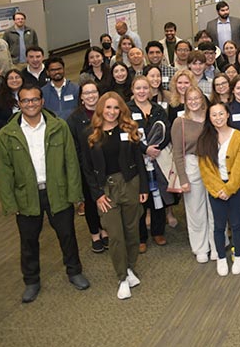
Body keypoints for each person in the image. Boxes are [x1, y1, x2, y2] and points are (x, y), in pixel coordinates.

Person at [0, 84, 89, 303]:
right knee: (28, 240)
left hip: (57, 191)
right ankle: (31, 281)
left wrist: (76, 194)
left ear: (42, 101)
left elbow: (71, 162)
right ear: (18, 104)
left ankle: (74, 271)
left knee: (67, 234)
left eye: (35, 99)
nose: (31, 104)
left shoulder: (58, 126)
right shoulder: (7, 134)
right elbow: (4, 170)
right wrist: (10, 203)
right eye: (25, 101)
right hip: (26, 195)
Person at [84, 91, 148, 299]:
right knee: (116, 235)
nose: (112, 112)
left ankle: (130, 267)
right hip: (106, 189)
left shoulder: (128, 130)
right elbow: (86, 168)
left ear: (121, 110)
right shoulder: (91, 134)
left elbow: (139, 161)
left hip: (130, 184)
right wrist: (97, 195)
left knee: (132, 231)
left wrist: (143, 188)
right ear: (101, 109)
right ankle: (122, 277)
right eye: (108, 107)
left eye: (116, 108)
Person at [197, 102, 240, 276]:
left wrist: (229, 189)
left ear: (228, 115)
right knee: (219, 226)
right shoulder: (205, 139)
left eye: (221, 114)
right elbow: (205, 169)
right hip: (215, 190)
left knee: (236, 224)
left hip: (236, 187)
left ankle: (239, 255)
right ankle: (220, 257)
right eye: (214, 115)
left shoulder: (239, 137)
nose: (218, 118)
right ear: (209, 118)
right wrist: (219, 189)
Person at [172, 86, 217, 263]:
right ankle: (200, 248)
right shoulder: (180, 122)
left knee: (214, 207)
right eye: (189, 99)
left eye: (196, 98)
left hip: (212, 163)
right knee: (195, 209)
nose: (193, 102)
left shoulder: (211, 117)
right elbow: (177, 152)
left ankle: (216, 244)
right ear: (185, 101)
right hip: (191, 165)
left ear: (202, 98)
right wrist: (183, 178)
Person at [128, 76, 170, 252]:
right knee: (140, 198)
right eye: (138, 88)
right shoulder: (126, 110)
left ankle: (158, 232)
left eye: (145, 88)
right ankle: (141, 238)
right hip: (136, 161)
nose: (142, 91)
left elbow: (166, 131)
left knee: (158, 195)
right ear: (132, 90)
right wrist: (145, 149)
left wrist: (156, 149)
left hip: (157, 160)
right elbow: (126, 134)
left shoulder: (158, 109)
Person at [66, 81, 108, 254]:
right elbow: (74, 146)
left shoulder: (107, 113)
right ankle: (95, 235)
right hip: (86, 168)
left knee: (106, 199)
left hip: (106, 165)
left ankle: (105, 230)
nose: (91, 96)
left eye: (94, 92)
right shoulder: (74, 119)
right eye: (86, 93)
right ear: (81, 97)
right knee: (91, 203)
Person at [0, 69, 24, 133]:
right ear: (6, 81)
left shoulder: (30, 95)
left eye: (17, 77)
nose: (14, 80)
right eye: (10, 78)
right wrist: (9, 125)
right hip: (7, 132)